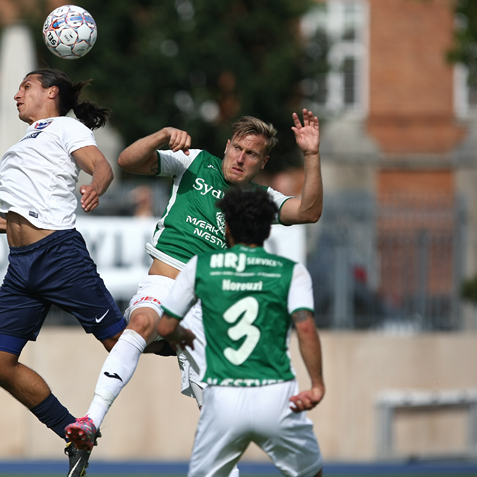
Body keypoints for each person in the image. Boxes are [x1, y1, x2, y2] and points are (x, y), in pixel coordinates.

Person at [65, 111, 322, 456]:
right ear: (227, 146)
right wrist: (161, 135)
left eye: (252, 154)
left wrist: (311, 155)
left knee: (216, 413)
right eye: (238, 149)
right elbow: (127, 161)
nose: (241, 158)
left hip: (209, 303)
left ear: (263, 162)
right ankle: (91, 420)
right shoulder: (195, 161)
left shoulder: (260, 200)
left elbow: (308, 211)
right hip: (166, 281)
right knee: (140, 323)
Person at [0, 68, 126, 477]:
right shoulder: (27, 141)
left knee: (123, 342)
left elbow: (100, 166)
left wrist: (96, 187)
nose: (17, 95)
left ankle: (192, 350)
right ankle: (73, 436)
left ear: (51, 93)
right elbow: (16, 219)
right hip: (21, 270)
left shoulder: (65, 128)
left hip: (59, 256)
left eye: (26, 87)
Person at [157, 187, 324, 477]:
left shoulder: (202, 267)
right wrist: (317, 385)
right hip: (277, 394)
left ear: (228, 227)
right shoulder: (290, 271)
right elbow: (306, 328)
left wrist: (181, 336)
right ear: (266, 231)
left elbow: (165, 326)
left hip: (224, 397)